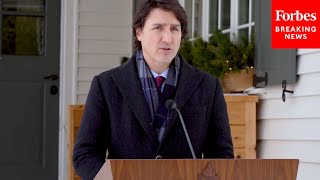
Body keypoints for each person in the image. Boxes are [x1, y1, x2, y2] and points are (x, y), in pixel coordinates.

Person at [73, 0, 234, 179]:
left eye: (174, 29)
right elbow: (85, 154)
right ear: (139, 32)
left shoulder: (208, 86)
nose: (168, 38)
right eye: (158, 28)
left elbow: (222, 154)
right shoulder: (106, 85)